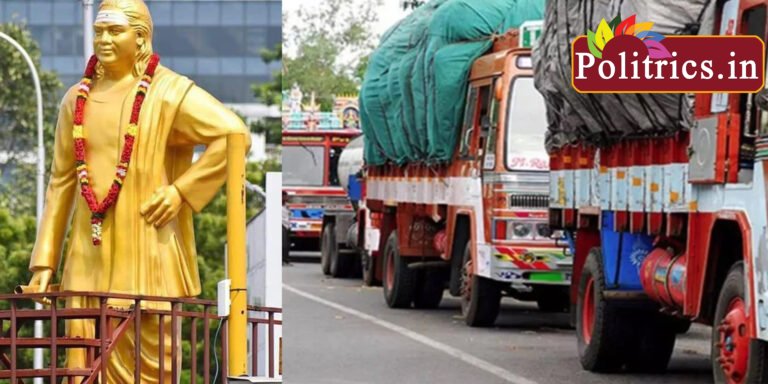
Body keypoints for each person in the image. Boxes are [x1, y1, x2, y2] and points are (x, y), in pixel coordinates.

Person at [25, 0, 250, 382]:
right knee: (83, 366)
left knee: (151, 369)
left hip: (148, 256)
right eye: (99, 32)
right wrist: (44, 265)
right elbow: (61, 182)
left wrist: (180, 192)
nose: (104, 40)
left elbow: (235, 135)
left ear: (141, 38)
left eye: (115, 31)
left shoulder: (167, 92)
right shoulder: (74, 100)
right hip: (86, 260)